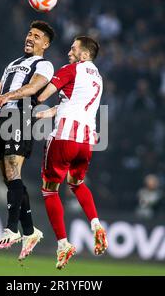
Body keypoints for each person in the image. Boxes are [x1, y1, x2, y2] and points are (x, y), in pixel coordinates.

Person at [0, 20, 55, 261]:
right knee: (7, 176)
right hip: (2, 116)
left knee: (14, 171)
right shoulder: (13, 64)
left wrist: (8, 97)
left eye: (36, 36)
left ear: (45, 44)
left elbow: (32, 88)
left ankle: (12, 228)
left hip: (20, 114)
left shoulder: (44, 65)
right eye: (29, 33)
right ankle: (30, 231)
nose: (30, 38)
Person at [34, 36, 108, 269]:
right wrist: (52, 111)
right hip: (86, 141)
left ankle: (63, 244)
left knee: (49, 189)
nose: (69, 52)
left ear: (84, 55)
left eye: (74, 49)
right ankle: (96, 224)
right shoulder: (97, 77)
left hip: (65, 136)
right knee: (76, 183)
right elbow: (74, 102)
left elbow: (42, 95)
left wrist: (35, 86)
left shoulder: (71, 70)